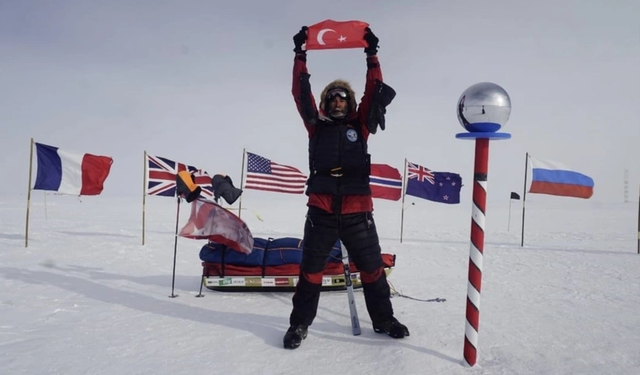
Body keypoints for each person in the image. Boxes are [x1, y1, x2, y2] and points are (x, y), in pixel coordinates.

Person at [283, 25, 409, 350]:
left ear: (350, 103)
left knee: (372, 270)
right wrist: (301, 56)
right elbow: (301, 93)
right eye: (332, 97)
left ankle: (383, 319)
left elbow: (374, 88)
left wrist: (371, 55)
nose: (338, 101)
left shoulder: (360, 126)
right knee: (311, 273)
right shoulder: (316, 126)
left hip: (358, 214)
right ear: (326, 103)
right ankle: (299, 325)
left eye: (343, 97)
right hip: (321, 213)